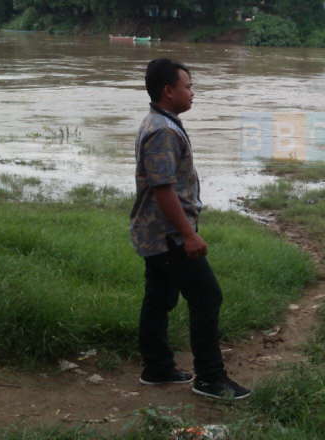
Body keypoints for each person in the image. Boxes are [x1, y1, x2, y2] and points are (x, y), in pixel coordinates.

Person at [129, 58, 250, 400]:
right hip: (168, 236)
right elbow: (163, 188)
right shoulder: (163, 130)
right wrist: (189, 234)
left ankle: (157, 367)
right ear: (168, 91)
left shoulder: (160, 121)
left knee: (160, 298)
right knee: (207, 297)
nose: (192, 93)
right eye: (188, 86)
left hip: (155, 233)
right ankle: (210, 378)